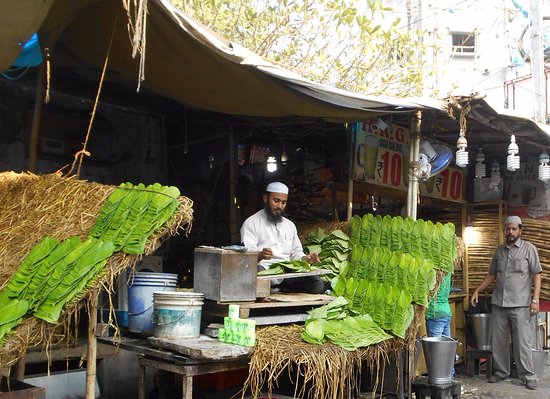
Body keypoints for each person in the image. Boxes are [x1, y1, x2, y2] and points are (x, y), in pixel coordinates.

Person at [469, 215, 542, 390]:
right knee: (499, 341)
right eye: (508, 228)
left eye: (514, 229)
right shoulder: (499, 251)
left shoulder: (528, 249)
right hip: (499, 304)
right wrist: (477, 290)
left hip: (520, 304)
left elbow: (537, 275)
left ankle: (528, 376)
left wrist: (536, 300)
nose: (510, 232)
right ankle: (501, 372)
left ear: (520, 230)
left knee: (522, 342)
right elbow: (492, 274)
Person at [240, 182, 325, 294]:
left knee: (317, 284)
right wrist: (260, 255)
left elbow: (296, 253)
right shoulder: (251, 223)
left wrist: (307, 258)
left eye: (283, 202)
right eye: (276, 201)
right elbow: (245, 259)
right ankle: (270, 288)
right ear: (266, 199)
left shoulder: (289, 225)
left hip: (287, 272)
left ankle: (280, 289)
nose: (280, 206)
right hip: (264, 270)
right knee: (254, 280)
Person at [426, 272, 455, 377]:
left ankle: (439, 378)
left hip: (435, 313)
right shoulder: (447, 272)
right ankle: (449, 376)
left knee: (436, 350)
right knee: (447, 348)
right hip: (446, 312)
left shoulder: (433, 273)